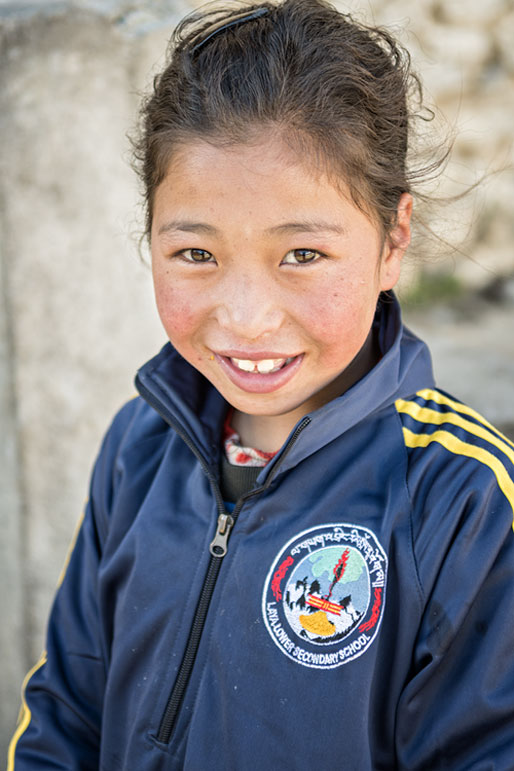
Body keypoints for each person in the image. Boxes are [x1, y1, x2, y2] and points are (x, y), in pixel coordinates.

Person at [8, 1, 514, 768]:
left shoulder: (461, 503)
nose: (245, 319)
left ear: (392, 242)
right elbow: (68, 709)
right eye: (196, 255)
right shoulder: (137, 449)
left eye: (303, 254)